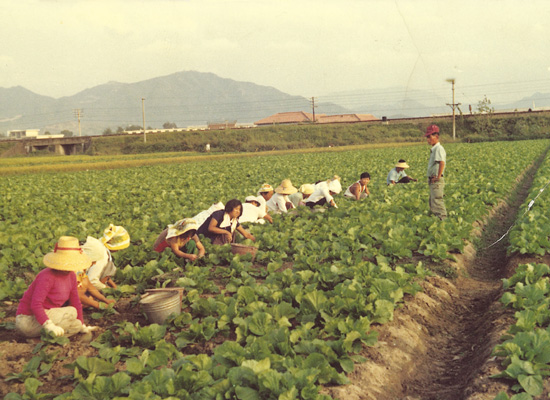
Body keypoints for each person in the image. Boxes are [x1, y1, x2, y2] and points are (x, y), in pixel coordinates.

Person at [15, 236, 98, 338]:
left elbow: (75, 301)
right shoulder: (47, 276)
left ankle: (42, 339)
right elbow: (35, 304)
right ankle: (47, 334)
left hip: (46, 318)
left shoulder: (71, 275)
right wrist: (49, 325)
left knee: (76, 325)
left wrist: (82, 324)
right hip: (28, 320)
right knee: (72, 311)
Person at [82, 224, 130, 292]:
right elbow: (92, 281)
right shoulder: (102, 254)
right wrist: (107, 289)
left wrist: (114, 286)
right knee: (110, 267)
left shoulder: (97, 243)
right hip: (77, 280)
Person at [425, 124, 447, 219]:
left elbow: (442, 163)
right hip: (433, 179)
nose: (428, 139)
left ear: (436, 136)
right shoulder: (434, 149)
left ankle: (442, 220)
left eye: (429, 137)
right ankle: (437, 221)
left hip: (436, 180)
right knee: (433, 201)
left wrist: (438, 176)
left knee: (437, 201)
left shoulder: (438, 148)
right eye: (427, 137)